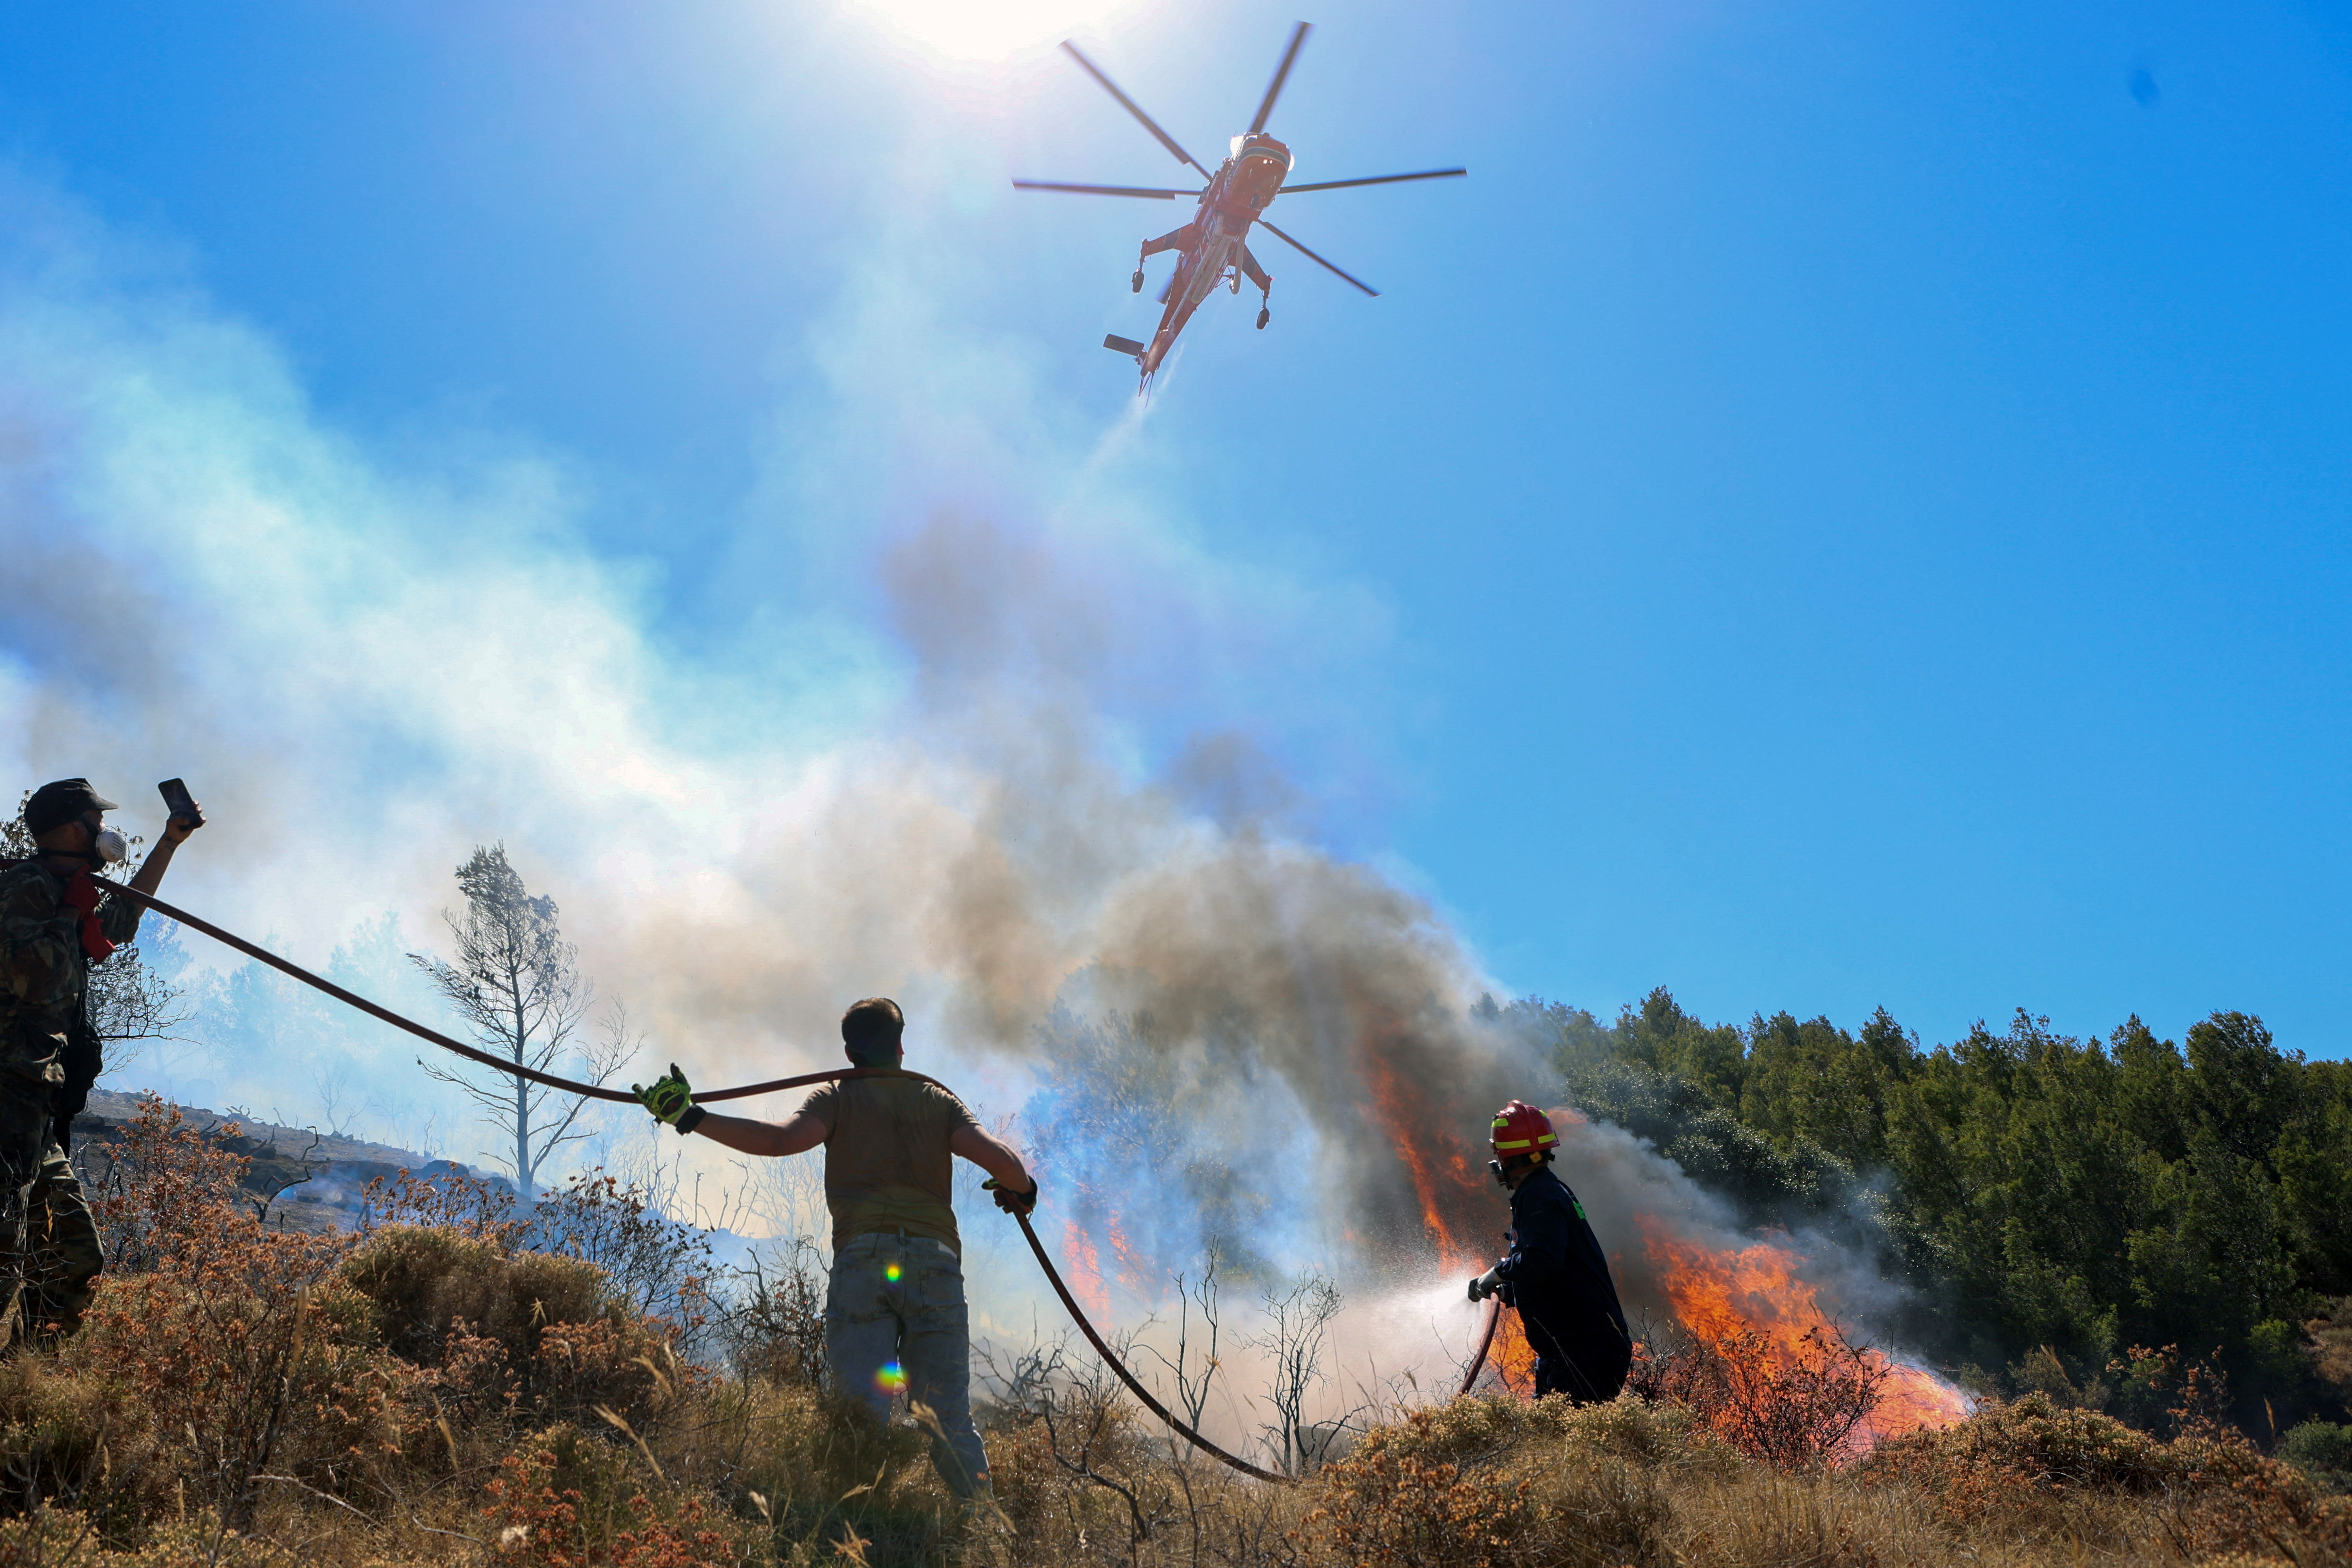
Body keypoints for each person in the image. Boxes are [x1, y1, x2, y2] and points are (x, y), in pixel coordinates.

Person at [633, 997, 1035, 1507]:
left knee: (860, 1413)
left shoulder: (837, 1097)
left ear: (849, 1052)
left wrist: (691, 1116)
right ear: (901, 1046)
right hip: (935, 1264)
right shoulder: (937, 1100)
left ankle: (858, 1527)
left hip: (863, 1260)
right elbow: (1003, 1162)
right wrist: (1022, 1190)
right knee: (948, 1415)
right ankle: (985, 1526)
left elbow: (780, 1140)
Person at [0, 777, 204, 1344]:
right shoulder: (27, 887)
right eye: (98, 820)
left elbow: (119, 922)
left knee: (73, 1255)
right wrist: (70, 910)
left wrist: (168, 844)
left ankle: (28, 1370)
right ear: (74, 827)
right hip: (7, 1091)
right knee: (4, 1248)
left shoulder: (65, 887)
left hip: (35, 1105)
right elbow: (31, 975)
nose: (105, 831)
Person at [1468, 1099, 1632, 1403]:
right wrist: (1510, 1292)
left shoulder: (1539, 1196)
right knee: (1548, 1430)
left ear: (1508, 1159)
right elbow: (1558, 1272)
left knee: (1562, 1432)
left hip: (1584, 1350)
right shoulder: (1549, 1190)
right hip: (1571, 1350)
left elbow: (1542, 1258)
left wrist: (1498, 1272)